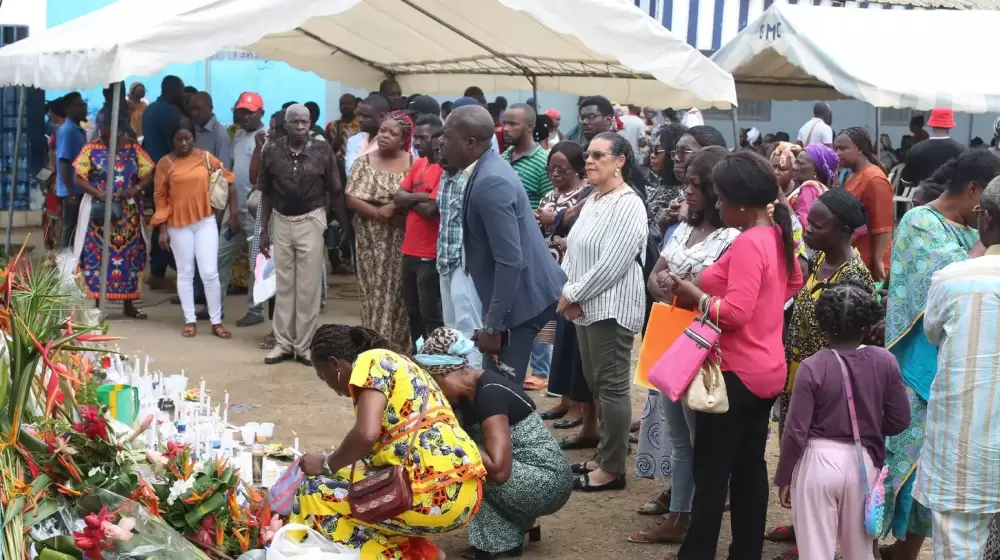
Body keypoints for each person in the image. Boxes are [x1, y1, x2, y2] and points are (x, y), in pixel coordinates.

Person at [664, 151, 803, 560]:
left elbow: (737, 313)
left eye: (721, 198)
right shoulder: (775, 234)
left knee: (712, 476)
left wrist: (696, 295)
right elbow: (793, 282)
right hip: (767, 369)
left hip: (735, 374)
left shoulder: (748, 243)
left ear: (741, 202)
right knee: (748, 468)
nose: (717, 205)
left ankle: (698, 552)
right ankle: (746, 552)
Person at [880, 149, 999, 560]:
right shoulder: (920, 222)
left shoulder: (975, 229)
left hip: (966, 361)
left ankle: (907, 549)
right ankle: (899, 547)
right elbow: (944, 285)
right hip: (922, 363)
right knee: (913, 466)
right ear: (973, 192)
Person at [295, 325, 486, 560]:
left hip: (435, 493)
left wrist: (326, 464)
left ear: (335, 364)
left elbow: (366, 434)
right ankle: (420, 553)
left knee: (314, 492)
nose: (332, 389)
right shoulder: (404, 365)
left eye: (324, 377)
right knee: (349, 487)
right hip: (461, 491)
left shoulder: (370, 361)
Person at [630, 146, 737, 542]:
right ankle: (679, 514)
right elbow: (653, 277)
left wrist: (679, 288)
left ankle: (694, 515)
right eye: (686, 181)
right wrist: (676, 289)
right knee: (678, 434)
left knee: (699, 435)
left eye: (695, 183)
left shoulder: (731, 237)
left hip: (704, 345)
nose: (686, 189)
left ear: (714, 188)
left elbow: (712, 290)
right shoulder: (684, 229)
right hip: (672, 334)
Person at [764, 189, 874, 556]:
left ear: (843, 230)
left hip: (829, 383)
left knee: (816, 454)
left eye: (817, 225)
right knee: (794, 442)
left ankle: (822, 536)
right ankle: (803, 526)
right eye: (808, 221)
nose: (807, 229)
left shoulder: (853, 276)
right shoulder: (819, 261)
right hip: (799, 373)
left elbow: (850, 340)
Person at [776, 281, 909, 560]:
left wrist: (785, 476)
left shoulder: (813, 366)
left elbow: (795, 431)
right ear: (867, 324)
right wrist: (871, 424)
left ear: (822, 324)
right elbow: (900, 420)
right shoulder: (885, 361)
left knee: (815, 551)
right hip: (863, 465)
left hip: (817, 462)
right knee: (859, 552)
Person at [414, 328, 572, 559]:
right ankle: (506, 532)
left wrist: (451, 432)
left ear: (448, 372)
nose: (433, 393)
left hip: (546, 481)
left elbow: (499, 470)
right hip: (527, 475)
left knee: (463, 464)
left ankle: (503, 540)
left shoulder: (490, 393)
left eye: (434, 384)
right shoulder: (467, 394)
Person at [441, 105, 565, 384]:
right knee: (496, 387)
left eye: (447, 136)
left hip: (521, 302)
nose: (441, 141)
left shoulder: (491, 181)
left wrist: (494, 325)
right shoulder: (487, 170)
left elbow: (510, 260)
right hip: (515, 298)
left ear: (470, 143)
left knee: (500, 392)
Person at [916, 176, 1000, 559]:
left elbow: (932, 334)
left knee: (959, 550)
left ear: (986, 219)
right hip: (968, 451)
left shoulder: (953, 279)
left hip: (964, 453)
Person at [559, 132, 647, 492]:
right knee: (597, 386)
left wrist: (573, 293)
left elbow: (613, 263)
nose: (589, 162)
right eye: (588, 155)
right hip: (585, 306)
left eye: (598, 155)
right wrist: (566, 290)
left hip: (611, 309)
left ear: (620, 161)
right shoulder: (595, 199)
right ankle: (605, 453)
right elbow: (575, 250)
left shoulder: (629, 204)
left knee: (611, 388)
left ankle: (612, 469)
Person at [258, 104, 346, 365]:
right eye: (294, 122)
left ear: (310, 124)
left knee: (308, 287)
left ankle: (304, 346)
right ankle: (283, 344)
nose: (300, 127)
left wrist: (343, 226)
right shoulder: (272, 151)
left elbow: (336, 190)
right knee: (283, 285)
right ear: (285, 124)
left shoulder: (322, 150)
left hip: (311, 220)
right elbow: (265, 192)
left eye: (304, 122)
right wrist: (264, 229)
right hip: (282, 222)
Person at [150, 117, 234, 339]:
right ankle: (190, 320)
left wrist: (226, 212)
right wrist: (163, 229)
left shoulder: (206, 158)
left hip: (205, 221)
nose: (184, 143)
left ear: (194, 138)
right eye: (179, 139)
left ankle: (217, 321)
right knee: (185, 273)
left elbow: (227, 179)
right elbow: (159, 196)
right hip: (178, 224)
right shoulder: (165, 163)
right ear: (172, 141)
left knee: (209, 273)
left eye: (187, 138)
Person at [71, 112, 154, 318]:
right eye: (103, 136)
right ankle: (99, 304)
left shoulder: (134, 150)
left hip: (128, 214)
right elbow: (78, 178)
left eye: (111, 136)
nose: (106, 140)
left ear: (122, 132)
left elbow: (149, 172)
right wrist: (99, 193)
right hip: (98, 213)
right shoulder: (91, 149)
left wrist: (136, 188)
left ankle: (128, 305)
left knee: (130, 256)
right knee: (98, 256)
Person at [346, 110, 414, 351]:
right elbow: (351, 197)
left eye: (392, 133)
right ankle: (373, 345)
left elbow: (417, 195)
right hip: (370, 239)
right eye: (382, 130)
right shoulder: (363, 162)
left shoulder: (413, 162)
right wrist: (377, 213)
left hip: (400, 237)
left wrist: (395, 207)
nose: (384, 135)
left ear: (403, 138)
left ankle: (398, 349)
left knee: (398, 294)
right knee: (372, 291)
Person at [501, 102, 556, 390]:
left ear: (530, 127)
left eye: (513, 124)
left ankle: (542, 369)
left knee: (535, 309)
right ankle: (515, 365)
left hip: (533, 248)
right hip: (507, 248)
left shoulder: (542, 162)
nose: (506, 129)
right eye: (504, 123)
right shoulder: (503, 157)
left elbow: (551, 204)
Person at [534, 142, 591, 414]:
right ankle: (564, 400)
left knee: (571, 342)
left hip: (571, 273)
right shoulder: (547, 196)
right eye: (551, 168)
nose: (555, 174)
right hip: (548, 272)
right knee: (558, 341)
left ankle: (577, 406)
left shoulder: (585, 197)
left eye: (563, 169)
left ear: (579, 169)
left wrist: (551, 220)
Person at [393, 114, 444, 346]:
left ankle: (434, 358)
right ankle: (418, 353)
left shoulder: (444, 169)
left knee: (430, 313)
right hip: (409, 251)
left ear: (437, 139)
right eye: (416, 138)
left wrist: (410, 199)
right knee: (412, 310)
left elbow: (432, 210)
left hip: (429, 254)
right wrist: (421, 196)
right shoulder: (419, 164)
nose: (417, 142)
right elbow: (398, 198)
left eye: (423, 138)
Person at [218, 92, 267, 326]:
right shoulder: (237, 135)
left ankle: (255, 312)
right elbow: (233, 174)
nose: (246, 116)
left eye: (251, 112)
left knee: (255, 263)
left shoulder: (266, 138)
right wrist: (232, 208)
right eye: (242, 111)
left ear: (261, 113)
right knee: (220, 257)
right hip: (234, 207)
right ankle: (215, 309)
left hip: (255, 210)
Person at [143, 75, 186, 290]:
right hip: (168, 172)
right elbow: (176, 144)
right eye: (181, 90)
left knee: (160, 219)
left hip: (150, 170)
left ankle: (157, 269)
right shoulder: (170, 113)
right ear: (174, 90)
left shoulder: (149, 110)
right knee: (170, 221)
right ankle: (161, 268)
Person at [835, 127, 894, 282]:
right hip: (853, 254)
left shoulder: (874, 179)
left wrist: (878, 260)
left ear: (859, 149)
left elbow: (882, 226)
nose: (837, 153)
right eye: (836, 148)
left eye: (843, 148)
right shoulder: (851, 174)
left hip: (868, 258)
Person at [56, 92, 89, 249]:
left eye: (84, 103)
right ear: (69, 109)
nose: (84, 107)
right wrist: (71, 193)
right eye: (80, 105)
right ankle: (65, 266)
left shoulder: (77, 130)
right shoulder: (68, 130)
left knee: (76, 229)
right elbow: (63, 162)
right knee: (69, 229)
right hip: (72, 191)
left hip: (78, 189)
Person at [900, 107, 965, 188]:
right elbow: (964, 180)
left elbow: (907, 181)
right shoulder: (961, 150)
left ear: (931, 123)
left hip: (923, 198)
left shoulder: (917, 149)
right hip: (951, 198)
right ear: (950, 126)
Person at [344, 94, 390, 175]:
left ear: (382, 116)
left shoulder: (394, 142)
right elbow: (350, 173)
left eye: (366, 116)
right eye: (360, 115)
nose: (360, 119)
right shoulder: (353, 141)